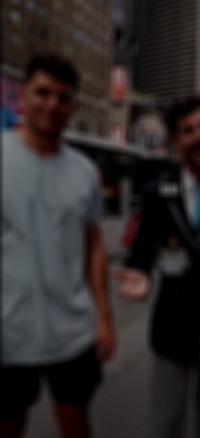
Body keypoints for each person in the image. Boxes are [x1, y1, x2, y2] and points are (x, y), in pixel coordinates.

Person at [1, 54, 115, 438]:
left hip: (72, 331)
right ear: (23, 97)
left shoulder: (84, 172)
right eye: (43, 93)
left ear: (73, 106)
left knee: (75, 420)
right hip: (8, 331)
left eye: (63, 97)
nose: (52, 103)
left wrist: (104, 317)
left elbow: (95, 246)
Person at [114, 95, 200, 438]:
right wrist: (139, 274)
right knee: (166, 420)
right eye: (188, 130)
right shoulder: (158, 193)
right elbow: (142, 249)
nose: (199, 135)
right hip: (173, 326)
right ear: (176, 141)